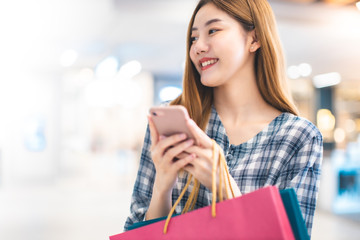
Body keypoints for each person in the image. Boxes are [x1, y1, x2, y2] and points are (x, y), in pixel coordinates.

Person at [124, 0, 323, 237]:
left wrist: (225, 188)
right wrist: (162, 189)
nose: (197, 47)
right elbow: (135, 231)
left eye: (213, 31)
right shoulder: (172, 122)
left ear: (254, 39)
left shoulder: (297, 137)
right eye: (194, 38)